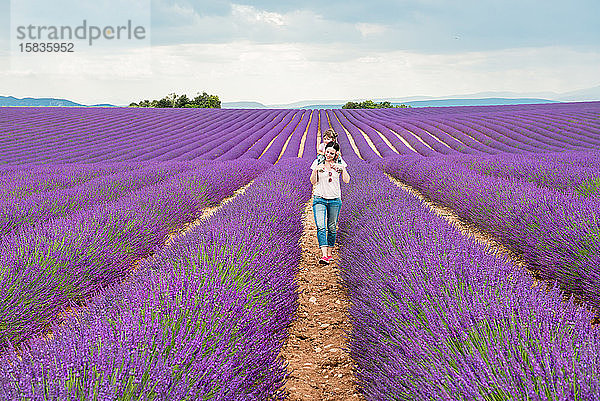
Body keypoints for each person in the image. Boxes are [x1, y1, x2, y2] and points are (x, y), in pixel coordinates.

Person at [309, 141, 350, 265]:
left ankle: (330, 253)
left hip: (334, 199)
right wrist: (315, 170)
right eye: (327, 152)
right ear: (324, 151)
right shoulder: (318, 162)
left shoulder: (340, 163)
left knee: (332, 227)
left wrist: (342, 169)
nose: (329, 155)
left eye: (332, 153)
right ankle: (324, 255)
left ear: (336, 154)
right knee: (321, 226)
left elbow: (347, 180)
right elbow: (313, 182)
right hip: (319, 198)